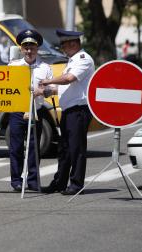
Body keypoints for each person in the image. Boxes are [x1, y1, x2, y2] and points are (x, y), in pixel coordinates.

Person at [35, 29, 94, 195]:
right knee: (64, 149)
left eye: (64, 45)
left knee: (76, 149)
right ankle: (60, 182)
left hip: (79, 110)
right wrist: (45, 91)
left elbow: (69, 79)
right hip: (69, 111)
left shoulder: (83, 59)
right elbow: (64, 87)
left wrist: (47, 80)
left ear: (74, 43)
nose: (62, 48)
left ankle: (76, 184)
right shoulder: (72, 61)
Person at [8, 29, 53, 192]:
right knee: (16, 147)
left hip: (37, 110)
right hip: (18, 111)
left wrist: (43, 91)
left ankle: (33, 181)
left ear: (37, 49)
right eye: (25, 47)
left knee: (34, 148)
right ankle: (16, 181)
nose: (29, 51)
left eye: (32, 47)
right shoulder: (13, 66)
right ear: (21, 49)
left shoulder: (45, 68)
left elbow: (52, 89)